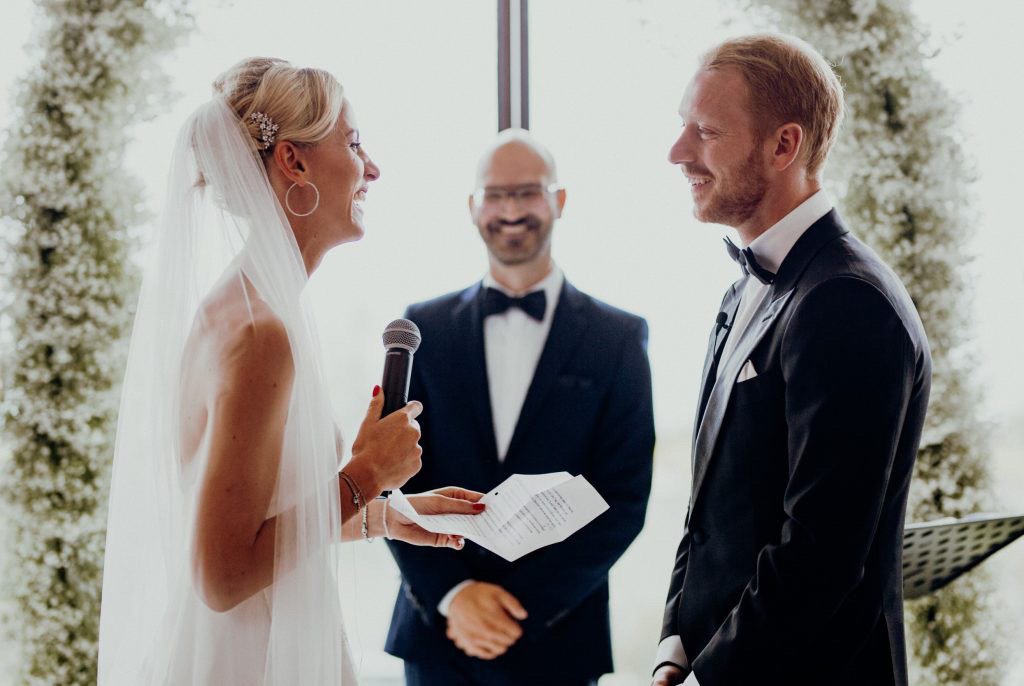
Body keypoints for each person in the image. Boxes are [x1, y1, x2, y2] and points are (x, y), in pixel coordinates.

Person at [97, 58, 483, 686]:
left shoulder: (247, 307)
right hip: (250, 660)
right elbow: (222, 576)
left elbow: (257, 521)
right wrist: (365, 475)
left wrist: (386, 514)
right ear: (294, 163)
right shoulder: (260, 333)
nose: (373, 168)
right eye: (354, 143)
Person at [652, 34, 932, 686]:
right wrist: (676, 644)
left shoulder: (846, 301)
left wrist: (707, 679)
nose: (677, 153)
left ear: (784, 146)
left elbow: (822, 554)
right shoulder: (743, 287)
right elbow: (708, 515)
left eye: (705, 132)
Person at [384, 129, 655, 686]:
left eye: (528, 192)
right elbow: (392, 483)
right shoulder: (421, 327)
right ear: (472, 207)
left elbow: (624, 496)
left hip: (558, 638)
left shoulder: (619, 337)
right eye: (495, 194)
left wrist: (517, 608)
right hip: (437, 635)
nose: (510, 210)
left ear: (559, 200)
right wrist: (455, 596)